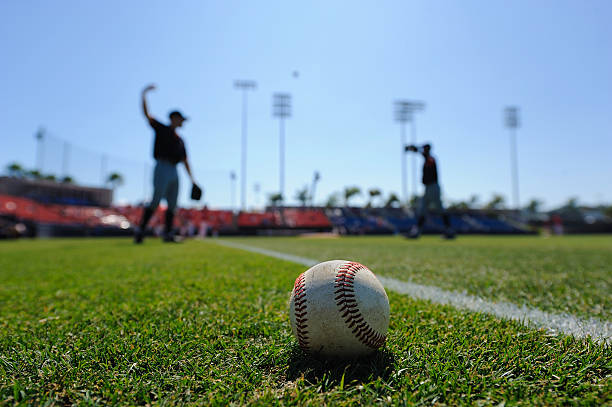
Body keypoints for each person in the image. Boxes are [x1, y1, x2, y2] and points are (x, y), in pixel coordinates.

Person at [134, 84, 197, 243]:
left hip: (175, 171)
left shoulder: (181, 140)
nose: (182, 121)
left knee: (173, 204)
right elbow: (147, 114)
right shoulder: (162, 129)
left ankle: (168, 234)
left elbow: (185, 161)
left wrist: (192, 180)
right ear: (173, 118)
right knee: (156, 200)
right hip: (162, 166)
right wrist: (144, 95)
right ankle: (141, 230)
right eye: (180, 119)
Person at [405, 143, 455, 239]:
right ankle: (416, 232)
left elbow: (425, 156)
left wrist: (415, 149)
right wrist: (414, 149)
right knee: (422, 210)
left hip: (433, 187)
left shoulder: (431, 159)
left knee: (439, 209)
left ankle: (449, 231)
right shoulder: (427, 158)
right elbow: (422, 154)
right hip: (427, 188)